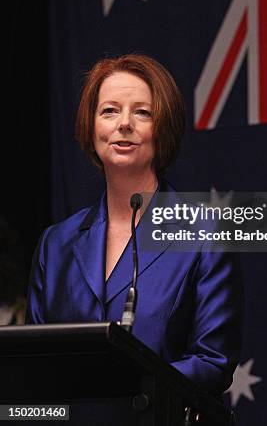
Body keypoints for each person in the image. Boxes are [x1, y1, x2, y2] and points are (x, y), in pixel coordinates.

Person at [26, 53, 242, 394]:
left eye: (142, 112)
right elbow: (34, 360)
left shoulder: (204, 234)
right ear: (91, 126)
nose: (123, 123)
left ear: (164, 128)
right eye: (109, 110)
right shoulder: (56, 244)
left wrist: (126, 388)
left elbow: (212, 361)